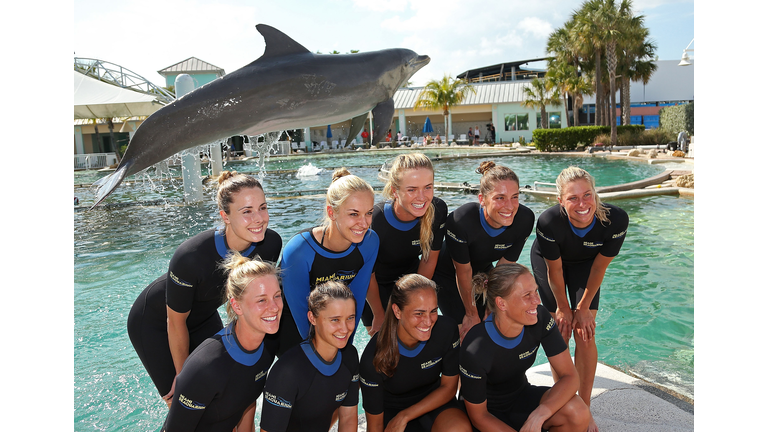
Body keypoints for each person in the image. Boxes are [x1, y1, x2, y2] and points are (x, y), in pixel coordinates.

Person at [127, 171, 282, 406]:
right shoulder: (191, 257)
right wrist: (185, 376)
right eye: (247, 212)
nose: (259, 218)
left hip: (204, 317)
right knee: (185, 403)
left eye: (262, 207)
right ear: (225, 216)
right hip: (156, 323)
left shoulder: (270, 244)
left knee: (222, 397)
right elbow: (175, 322)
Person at [530, 166, 628, 432]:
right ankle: (565, 401)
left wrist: (583, 308)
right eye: (573, 198)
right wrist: (563, 308)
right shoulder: (549, 222)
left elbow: (599, 268)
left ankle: (583, 408)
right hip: (551, 264)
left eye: (587, 195)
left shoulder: (615, 220)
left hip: (587, 265)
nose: (582, 204)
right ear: (560, 201)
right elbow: (556, 270)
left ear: (595, 194)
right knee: (560, 331)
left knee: (585, 332)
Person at [460, 263, 590, 432]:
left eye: (535, 291)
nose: (537, 300)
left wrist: (541, 413)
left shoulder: (540, 317)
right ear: (502, 303)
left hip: (521, 399)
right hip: (486, 418)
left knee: (578, 412)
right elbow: (479, 417)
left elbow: (570, 376)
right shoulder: (476, 346)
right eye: (527, 295)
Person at [161, 254, 282, 432]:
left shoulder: (268, 345)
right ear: (237, 306)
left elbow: (247, 401)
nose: (274, 307)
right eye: (262, 300)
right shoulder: (206, 366)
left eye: (277, 296)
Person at [277, 167, 379, 356]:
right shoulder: (299, 251)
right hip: (290, 320)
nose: (364, 223)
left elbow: (355, 299)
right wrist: (320, 350)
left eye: (369, 213)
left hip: (332, 319)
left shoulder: (370, 243)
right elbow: (300, 310)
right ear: (332, 213)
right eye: (354, 214)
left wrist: (344, 340)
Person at [432, 161, 534, 340]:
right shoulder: (461, 220)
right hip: (447, 274)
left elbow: (503, 267)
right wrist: (471, 314)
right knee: (466, 332)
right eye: (500, 198)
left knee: (497, 322)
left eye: (515, 197)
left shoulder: (525, 219)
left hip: (484, 272)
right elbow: (463, 272)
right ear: (482, 199)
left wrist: (489, 308)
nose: (509, 206)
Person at [360, 274, 472, 432]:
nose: (428, 322)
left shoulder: (446, 330)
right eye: (419, 313)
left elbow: (448, 387)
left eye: (433, 311)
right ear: (397, 312)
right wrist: (398, 417)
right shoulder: (373, 357)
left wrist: (406, 415)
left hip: (435, 401)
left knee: (458, 429)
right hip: (393, 411)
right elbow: (375, 426)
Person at [363, 153, 448, 335]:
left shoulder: (438, 210)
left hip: (410, 278)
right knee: (386, 348)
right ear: (395, 191)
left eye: (428, 187)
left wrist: (417, 302)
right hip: (375, 287)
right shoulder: (376, 220)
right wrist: (379, 314)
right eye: (411, 190)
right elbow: (367, 275)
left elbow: (428, 260)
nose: (421, 197)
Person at [260, 281, 360, 432]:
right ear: (312, 318)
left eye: (350, 318)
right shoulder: (287, 372)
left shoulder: (349, 356)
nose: (345, 328)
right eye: (335, 320)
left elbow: (348, 418)